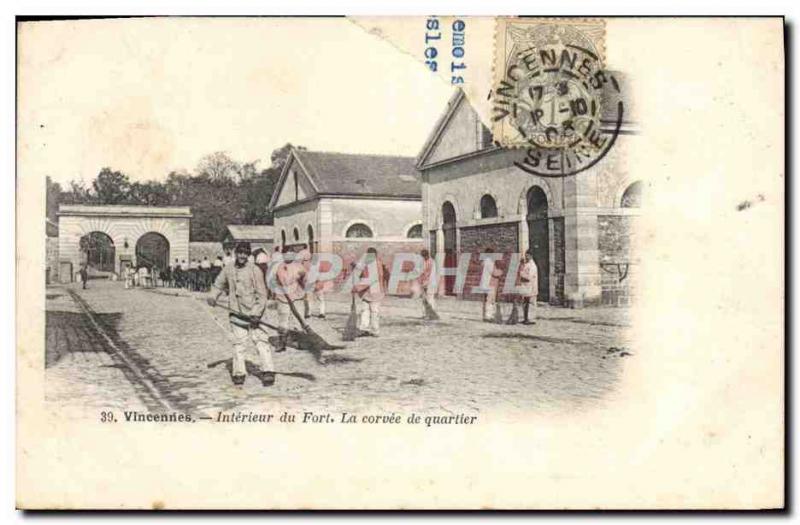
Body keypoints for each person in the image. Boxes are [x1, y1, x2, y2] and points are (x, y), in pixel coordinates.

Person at [207, 242, 276, 387]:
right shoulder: (228, 269)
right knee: (238, 344)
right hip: (236, 312)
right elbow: (218, 284)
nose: (242, 256)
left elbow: (262, 295)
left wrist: (256, 314)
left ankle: (268, 371)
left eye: (245, 253)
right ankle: (239, 373)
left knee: (261, 342)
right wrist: (213, 296)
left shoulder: (255, 270)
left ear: (249, 255)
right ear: (236, 253)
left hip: (256, 313)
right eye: (240, 253)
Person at [274, 245, 307, 352]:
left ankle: (298, 340)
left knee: (298, 318)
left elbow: (305, 280)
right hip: (283, 298)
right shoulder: (279, 267)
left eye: (291, 253)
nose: (288, 256)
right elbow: (279, 282)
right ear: (283, 255)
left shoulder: (300, 267)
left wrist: (302, 288)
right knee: (283, 320)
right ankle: (282, 342)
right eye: (286, 254)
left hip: (297, 297)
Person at [352, 247, 385, 337]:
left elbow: (370, 279)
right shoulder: (368, 263)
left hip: (375, 291)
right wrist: (355, 266)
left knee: (374, 311)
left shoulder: (376, 264)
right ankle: (364, 329)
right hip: (366, 292)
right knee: (364, 310)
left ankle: (375, 330)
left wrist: (357, 288)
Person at [481, 247, 504, 322]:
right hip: (490, 283)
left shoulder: (484, 262)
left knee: (487, 300)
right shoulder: (489, 262)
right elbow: (493, 272)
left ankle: (486, 315)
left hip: (485, 283)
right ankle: (488, 316)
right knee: (490, 300)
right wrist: (501, 272)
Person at [413, 248, 437, 319]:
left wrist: (426, 283)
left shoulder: (432, 262)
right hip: (424, 283)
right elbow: (422, 272)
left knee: (430, 299)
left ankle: (431, 314)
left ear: (427, 255)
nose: (423, 258)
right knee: (424, 299)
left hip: (430, 283)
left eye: (424, 257)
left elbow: (431, 274)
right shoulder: (424, 262)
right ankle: (425, 314)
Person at [518, 250, 539, 325]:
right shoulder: (526, 264)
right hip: (526, 287)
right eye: (526, 255)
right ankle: (526, 318)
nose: (526, 257)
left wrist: (520, 274)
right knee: (525, 303)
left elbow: (529, 277)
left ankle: (531, 319)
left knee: (531, 303)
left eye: (527, 255)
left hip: (531, 287)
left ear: (531, 256)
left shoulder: (532, 266)